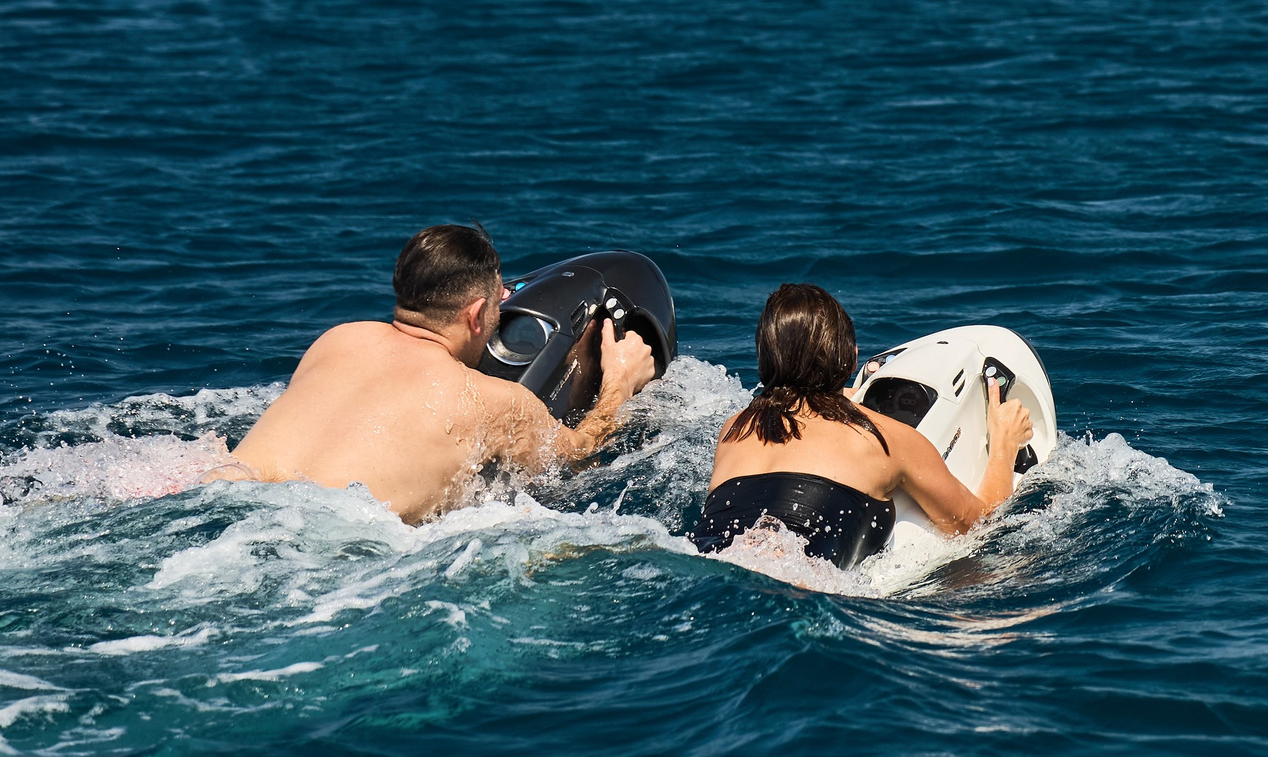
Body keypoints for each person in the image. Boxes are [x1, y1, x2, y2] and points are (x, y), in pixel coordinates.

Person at [216, 224, 659, 523]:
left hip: (225, 498)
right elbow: (580, 457)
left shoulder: (336, 340)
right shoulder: (491, 402)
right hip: (336, 538)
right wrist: (620, 381)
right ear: (478, 314)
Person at [693, 283, 1032, 569]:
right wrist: (1004, 444)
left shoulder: (736, 429)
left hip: (712, 571)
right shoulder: (888, 440)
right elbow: (975, 527)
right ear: (851, 357)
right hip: (800, 588)